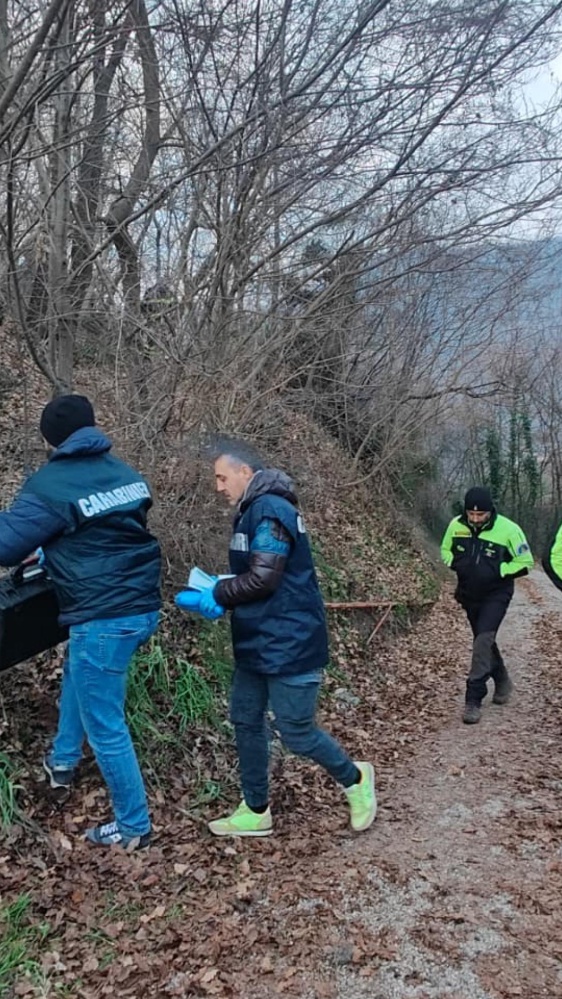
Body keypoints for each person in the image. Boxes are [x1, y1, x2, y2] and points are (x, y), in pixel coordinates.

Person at [0, 395, 161, 850]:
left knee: (106, 724)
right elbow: (105, 532)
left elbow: (7, 547)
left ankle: (134, 827)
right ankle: (63, 761)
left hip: (104, 616)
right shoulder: (124, 474)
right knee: (78, 670)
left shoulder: (52, 484)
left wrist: (38, 540)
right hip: (142, 606)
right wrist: (53, 546)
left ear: (49, 438)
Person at [193, 439, 377, 838]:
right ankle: (256, 809)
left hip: (290, 642)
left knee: (296, 732)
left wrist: (217, 595)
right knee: (245, 719)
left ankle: (356, 779)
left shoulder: (271, 510)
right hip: (257, 640)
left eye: (223, 477)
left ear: (246, 472)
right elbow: (261, 572)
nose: (219, 487)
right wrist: (220, 584)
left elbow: (264, 577)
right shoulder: (252, 511)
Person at [440, 486, 533, 725]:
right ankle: (502, 680)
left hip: (496, 594)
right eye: (471, 514)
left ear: (490, 512)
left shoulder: (510, 530)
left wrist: (499, 570)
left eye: (480, 515)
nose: (475, 518)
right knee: (484, 641)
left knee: (482, 640)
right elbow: (445, 550)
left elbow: (525, 562)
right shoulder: (455, 525)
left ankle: (473, 698)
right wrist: (456, 564)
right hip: (469, 594)